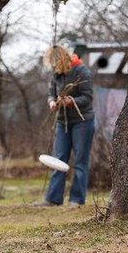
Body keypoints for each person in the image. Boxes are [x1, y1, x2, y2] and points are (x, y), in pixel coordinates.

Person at [34, 45, 94, 207]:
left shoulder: (81, 72)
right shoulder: (57, 74)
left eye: (56, 64)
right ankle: (53, 198)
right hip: (63, 122)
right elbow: (51, 93)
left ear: (63, 60)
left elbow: (87, 97)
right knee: (58, 159)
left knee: (80, 161)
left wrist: (71, 101)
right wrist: (52, 102)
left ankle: (76, 199)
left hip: (83, 122)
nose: (54, 68)